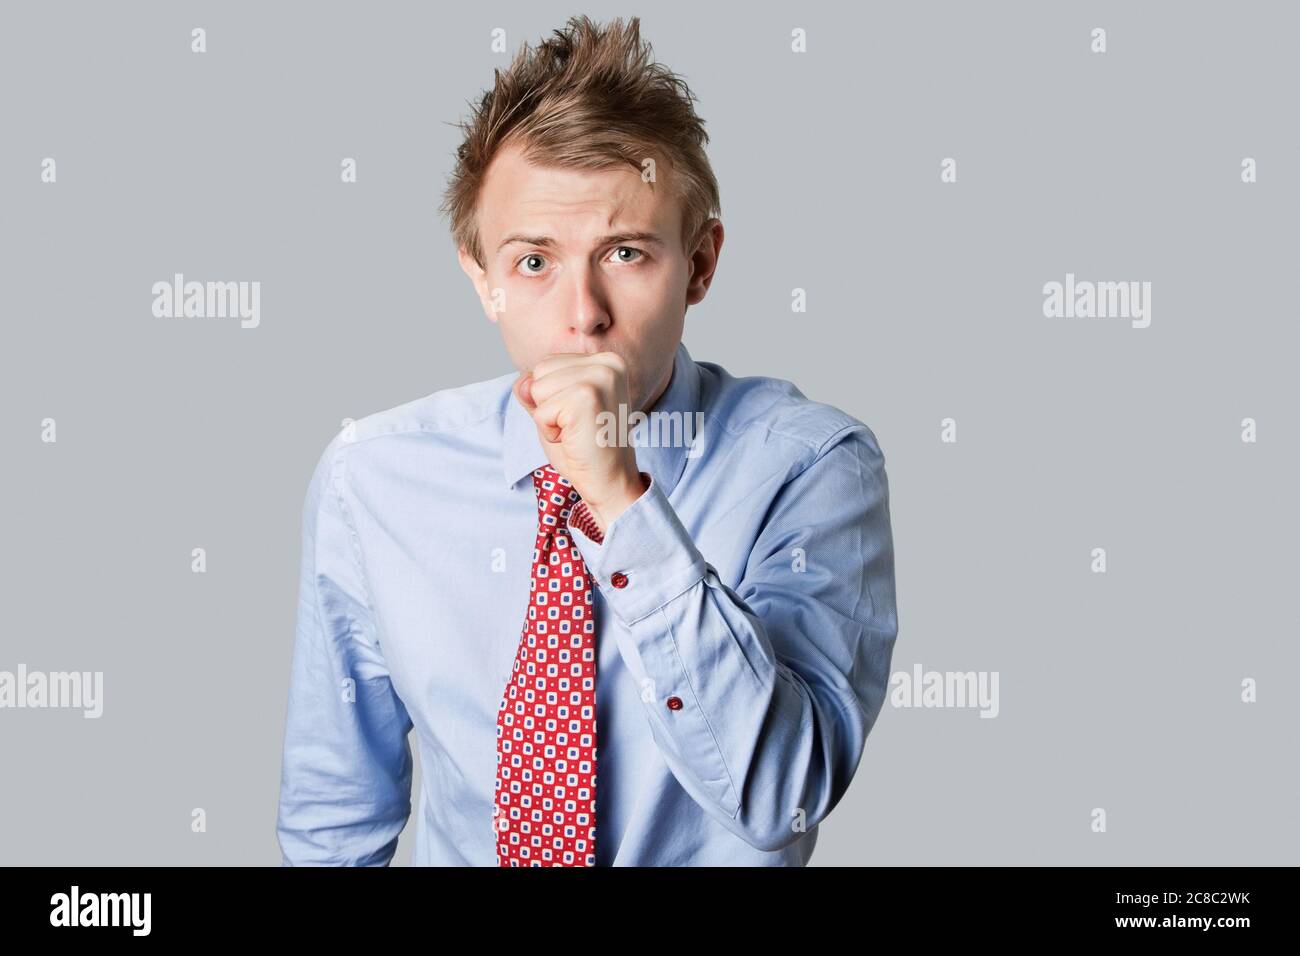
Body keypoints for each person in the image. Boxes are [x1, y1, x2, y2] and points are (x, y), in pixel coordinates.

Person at [276, 14, 898, 867]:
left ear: (702, 263)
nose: (583, 315)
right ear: (481, 276)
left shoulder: (809, 467)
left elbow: (781, 796)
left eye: (627, 254)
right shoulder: (373, 480)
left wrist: (620, 500)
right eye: (533, 262)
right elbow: (333, 825)